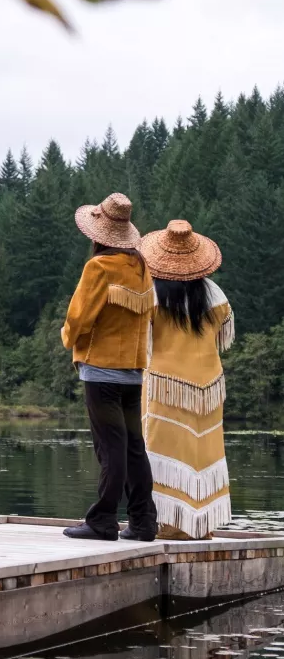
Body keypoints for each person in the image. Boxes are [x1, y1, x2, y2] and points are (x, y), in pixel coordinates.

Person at [60, 193, 157, 542]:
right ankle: (144, 522)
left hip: (100, 370)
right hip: (133, 372)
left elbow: (79, 317)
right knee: (133, 446)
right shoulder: (142, 267)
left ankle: (102, 521)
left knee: (109, 447)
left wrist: (67, 337)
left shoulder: (98, 267)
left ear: (99, 233)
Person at [139, 220, 233, 540]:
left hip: (165, 384)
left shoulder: (152, 292)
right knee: (202, 452)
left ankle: (173, 523)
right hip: (208, 384)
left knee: (161, 453)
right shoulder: (214, 294)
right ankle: (201, 525)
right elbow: (223, 332)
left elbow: (143, 336)